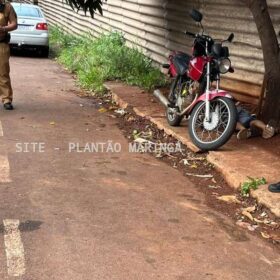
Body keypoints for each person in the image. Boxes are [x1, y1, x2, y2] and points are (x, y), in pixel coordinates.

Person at [0, 0, 17, 110]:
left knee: (3, 72)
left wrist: (3, 28)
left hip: (1, 44)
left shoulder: (7, 7)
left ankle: (7, 99)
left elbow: (14, 24)